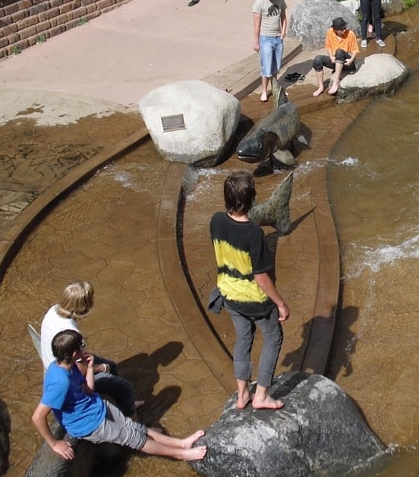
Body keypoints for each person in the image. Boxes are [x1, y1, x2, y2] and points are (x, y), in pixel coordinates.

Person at [31, 329, 207, 462]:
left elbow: (89, 391)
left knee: (137, 427)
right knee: (134, 438)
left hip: (97, 406)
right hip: (89, 424)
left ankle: (181, 443)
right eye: (81, 347)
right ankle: (182, 454)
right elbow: (38, 416)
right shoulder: (60, 381)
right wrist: (54, 443)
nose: (84, 349)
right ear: (72, 353)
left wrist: (90, 368)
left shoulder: (71, 367)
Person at [210, 172, 290, 410]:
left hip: (229, 294)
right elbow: (261, 277)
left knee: (243, 338)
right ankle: (262, 396)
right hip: (254, 299)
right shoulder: (254, 234)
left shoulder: (215, 221)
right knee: (273, 337)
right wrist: (281, 303)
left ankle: (242, 394)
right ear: (252, 200)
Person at [39, 280, 143, 417]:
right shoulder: (71, 333)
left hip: (53, 362)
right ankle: (132, 419)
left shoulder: (53, 310)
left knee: (112, 365)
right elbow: (81, 369)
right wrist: (101, 368)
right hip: (68, 376)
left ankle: (124, 403)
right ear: (83, 306)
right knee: (122, 385)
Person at [252, 0, 288, 102]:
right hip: (265, 38)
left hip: (278, 38)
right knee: (266, 68)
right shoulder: (259, 2)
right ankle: (264, 90)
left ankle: (275, 88)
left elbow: (283, 17)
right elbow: (257, 25)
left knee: (276, 66)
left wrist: (283, 31)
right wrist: (256, 42)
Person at [311, 16, 360, 97]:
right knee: (317, 59)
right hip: (336, 61)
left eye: (344, 28)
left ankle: (336, 81)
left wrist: (351, 60)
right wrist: (330, 57)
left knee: (339, 51)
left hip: (347, 62)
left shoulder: (350, 34)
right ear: (335, 30)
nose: (344, 30)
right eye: (341, 29)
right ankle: (321, 87)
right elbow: (329, 46)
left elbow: (355, 50)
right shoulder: (330, 32)